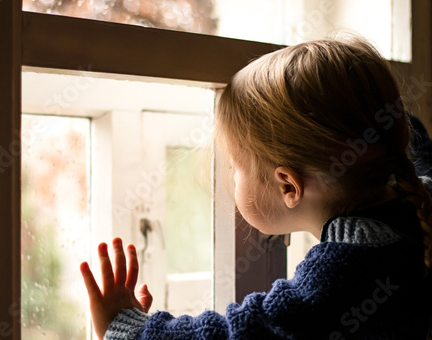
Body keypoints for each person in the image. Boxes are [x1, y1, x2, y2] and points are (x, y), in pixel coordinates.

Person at [80, 37, 432, 339]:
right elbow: (407, 136)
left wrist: (129, 328)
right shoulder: (416, 197)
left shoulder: (349, 270)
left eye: (235, 166)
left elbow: (246, 333)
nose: (231, 175)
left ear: (288, 186)